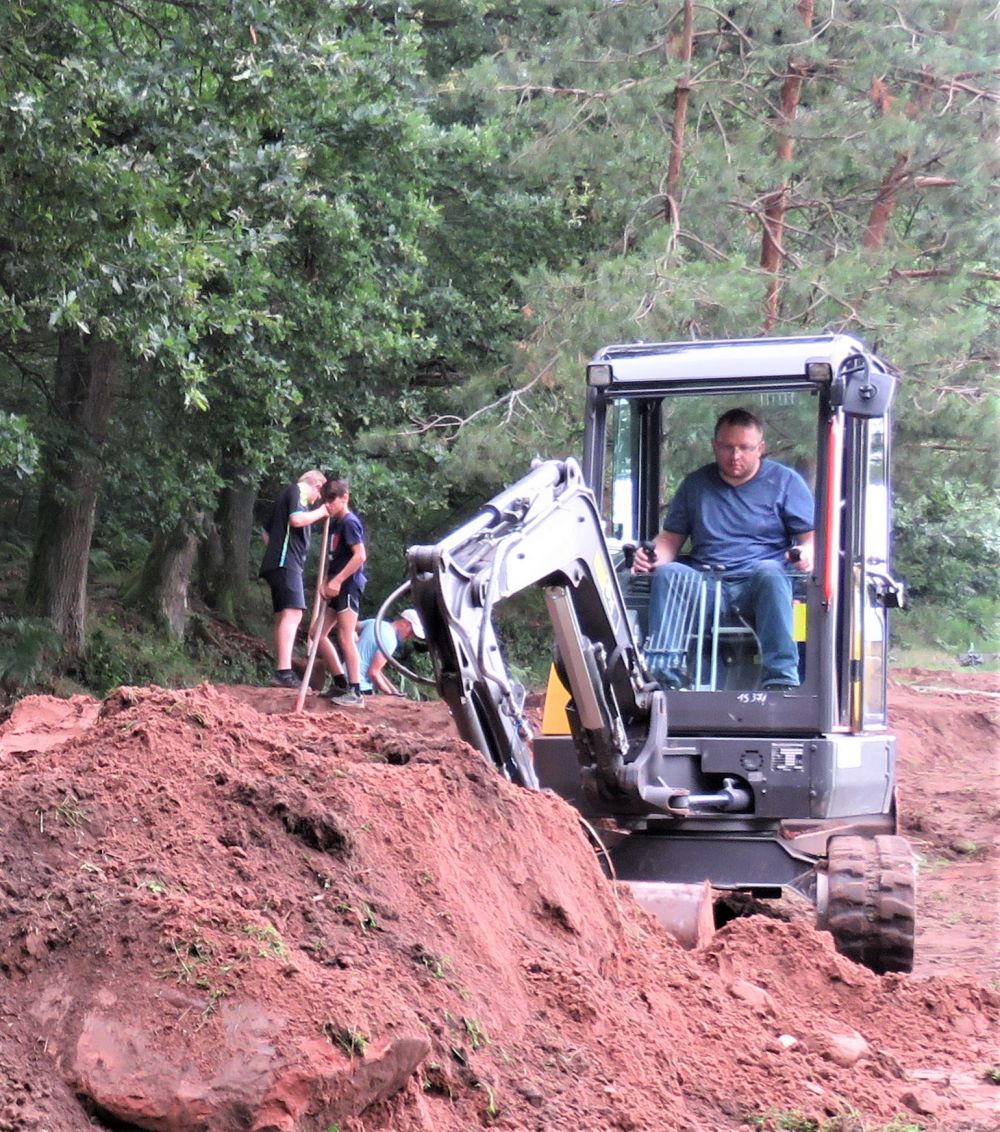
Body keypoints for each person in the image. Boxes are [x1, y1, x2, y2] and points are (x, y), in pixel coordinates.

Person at [633, 408, 814, 690]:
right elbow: (670, 540)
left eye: (745, 448)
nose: (735, 455)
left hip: (758, 584)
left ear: (761, 448)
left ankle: (780, 680)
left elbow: (810, 539)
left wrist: (806, 553)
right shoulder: (695, 485)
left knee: (771, 571)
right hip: (707, 584)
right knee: (670, 573)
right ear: (714, 446)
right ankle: (662, 677)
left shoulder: (786, 483)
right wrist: (652, 558)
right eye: (728, 447)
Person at [259, 469, 330, 688]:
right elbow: (297, 519)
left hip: (279, 562)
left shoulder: (285, 496)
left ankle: (282, 669)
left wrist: (276, 549)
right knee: (293, 612)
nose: (317, 500)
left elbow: (266, 532)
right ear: (317, 486)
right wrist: (323, 511)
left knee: (284, 614)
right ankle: (283, 672)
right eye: (320, 495)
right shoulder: (298, 491)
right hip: (285, 563)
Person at [314, 479, 368, 707]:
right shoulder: (336, 524)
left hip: (348, 587)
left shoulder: (349, 523)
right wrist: (325, 581)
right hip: (335, 587)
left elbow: (359, 556)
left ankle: (356, 691)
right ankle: (340, 682)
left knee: (346, 636)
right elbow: (335, 558)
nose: (329, 505)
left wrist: (337, 581)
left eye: (332, 500)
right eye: (326, 500)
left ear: (344, 497)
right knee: (316, 633)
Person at [356, 609, 425, 695]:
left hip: (347, 676)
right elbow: (373, 673)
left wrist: (394, 691)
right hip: (361, 686)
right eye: (411, 632)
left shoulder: (375, 623)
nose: (410, 637)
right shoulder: (391, 640)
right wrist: (389, 694)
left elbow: (351, 626)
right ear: (404, 623)